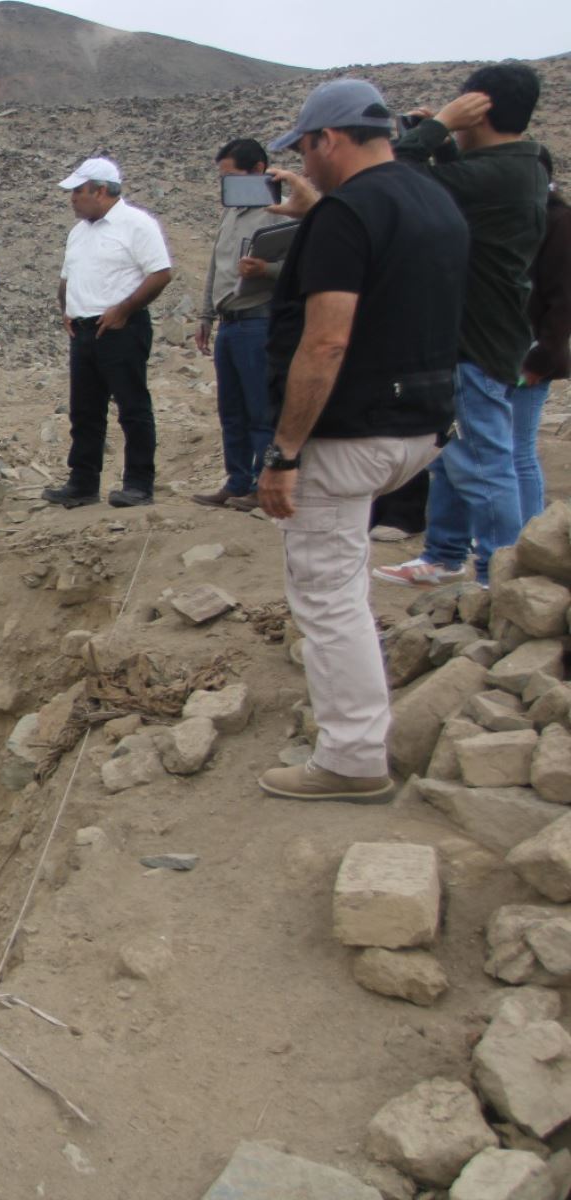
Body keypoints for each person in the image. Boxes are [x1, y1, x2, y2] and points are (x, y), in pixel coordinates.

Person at [253, 79, 469, 802]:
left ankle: (352, 758)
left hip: (353, 434)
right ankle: (361, 729)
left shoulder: (348, 214)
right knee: (340, 583)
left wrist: (284, 453)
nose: (303, 165)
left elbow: (328, 339)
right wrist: (322, 216)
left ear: (329, 139)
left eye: (306, 149)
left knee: (326, 593)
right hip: (425, 424)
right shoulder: (429, 196)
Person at [373, 63, 549, 588]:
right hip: (476, 333)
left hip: (475, 339)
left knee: (484, 461)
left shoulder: (501, 172)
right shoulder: (517, 165)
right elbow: (458, 191)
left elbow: (398, 175)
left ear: (481, 107)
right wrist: (445, 138)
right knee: (450, 457)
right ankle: (445, 554)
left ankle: (502, 575)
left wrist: (437, 127)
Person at [45, 157, 173, 509]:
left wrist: (124, 309)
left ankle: (139, 484)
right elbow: (67, 277)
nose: (72, 198)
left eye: (78, 191)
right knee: (85, 411)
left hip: (121, 327)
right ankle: (83, 484)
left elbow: (160, 273)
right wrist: (66, 309)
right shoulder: (78, 231)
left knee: (132, 407)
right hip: (83, 329)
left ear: (101, 190)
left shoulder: (137, 224)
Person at [195, 139, 284, 512]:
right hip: (229, 324)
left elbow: (302, 266)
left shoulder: (279, 212)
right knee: (231, 409)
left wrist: (266, 271)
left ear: (258, 170)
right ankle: (237, 482)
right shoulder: (231, 213)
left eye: (232, 176)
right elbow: (216, 266)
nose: (226, 185)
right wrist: (205, 315)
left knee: (260, 409)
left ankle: (265, 487)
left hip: (257, 320)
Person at [516, 148, 571, 520]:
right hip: (501, 351)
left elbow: (564, 300)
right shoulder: (521, 218)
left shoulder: (560, 222)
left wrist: (541, 358)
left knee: (517, 450)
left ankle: (529, 535)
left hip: (532, 358)